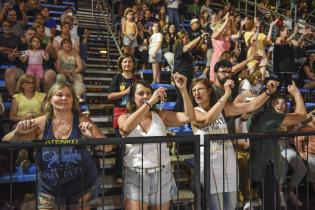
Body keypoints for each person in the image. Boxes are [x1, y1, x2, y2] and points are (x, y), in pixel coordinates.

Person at [3, 81, 111, 210]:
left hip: (83, 188)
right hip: (49, 191)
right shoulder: (41, 123)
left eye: (69, 95)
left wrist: (94, 135)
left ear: (73, 100)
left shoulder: (82, 120)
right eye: (59, 94)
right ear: (50, 99)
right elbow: (5, 142)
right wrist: (17, 133)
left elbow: (108, 147)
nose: (64, 98)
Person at [190, 77, 279, 210]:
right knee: (216, 207)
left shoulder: (222, 108)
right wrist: (226, 94)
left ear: (209, 91)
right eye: (194, 90)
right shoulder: (193, 112)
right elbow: (207, 120)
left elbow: (251, 105)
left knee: (231, 205)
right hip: (210, 165)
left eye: (200, 89)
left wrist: (268, 92)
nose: (197, 93)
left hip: (228, 161)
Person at [118, 73, 195, 210]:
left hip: (162, 174)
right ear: (132, 97)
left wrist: (183, 89)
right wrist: (149, 102)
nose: (145, 96)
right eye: (140, 93)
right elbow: (125, 129)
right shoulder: (124, 117)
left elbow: (189, 116)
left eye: (148, 93)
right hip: (135, 175)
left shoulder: (161, 115)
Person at [249, 82, 307, 209]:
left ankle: (285, 194)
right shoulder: (268, 117)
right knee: (270, 203)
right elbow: (302, 115)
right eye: (276, 101)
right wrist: (296, 94)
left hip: (262, 164)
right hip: (267, 166)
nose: (279, 105)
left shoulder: (253, 115)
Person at [108, 53, 140, 183]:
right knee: (121, 145)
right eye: (125, 62)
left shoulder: (137, 78)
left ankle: (133, 170)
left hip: (134, 113)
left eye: (129, 62)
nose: (127, 64)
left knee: (134, 144)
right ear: (121, 64)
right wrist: (125, 92)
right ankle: (119, 174)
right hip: (120, 113)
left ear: (133, 64)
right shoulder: (117, 77)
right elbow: (110, 96)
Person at [271, 95, 306, 207]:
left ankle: (290, 192)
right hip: (274, 148)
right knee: (282, 167)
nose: (280, 105)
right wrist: (293, 130)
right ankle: (280, 194)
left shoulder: (289, 117)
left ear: (286, 106)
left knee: (302, 168)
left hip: (286, 146)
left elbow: (289, 137)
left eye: (283, 103)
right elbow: (278, 136)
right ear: (273, 105)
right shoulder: (270, 117)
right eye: (278, 103)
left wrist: (296, 128)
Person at [173, 30, 207, 112]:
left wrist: (202, 39)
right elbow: (188, 47)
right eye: (186, 38)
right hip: (180, 76)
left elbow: (197, 49)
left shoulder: (187, 51)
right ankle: (177, 116)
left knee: (186, 96)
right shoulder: (178, 47)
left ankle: (184, 116)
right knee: (182, 96)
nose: (188, 40)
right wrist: (200, 36)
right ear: (180, 39)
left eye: (188, 38)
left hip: (187, 76)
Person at [296, 110, 315, 193]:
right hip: (311, 154)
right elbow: (298, 139)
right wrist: (301, 152)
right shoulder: (307, 127)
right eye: (314, 115)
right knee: (313, 171)